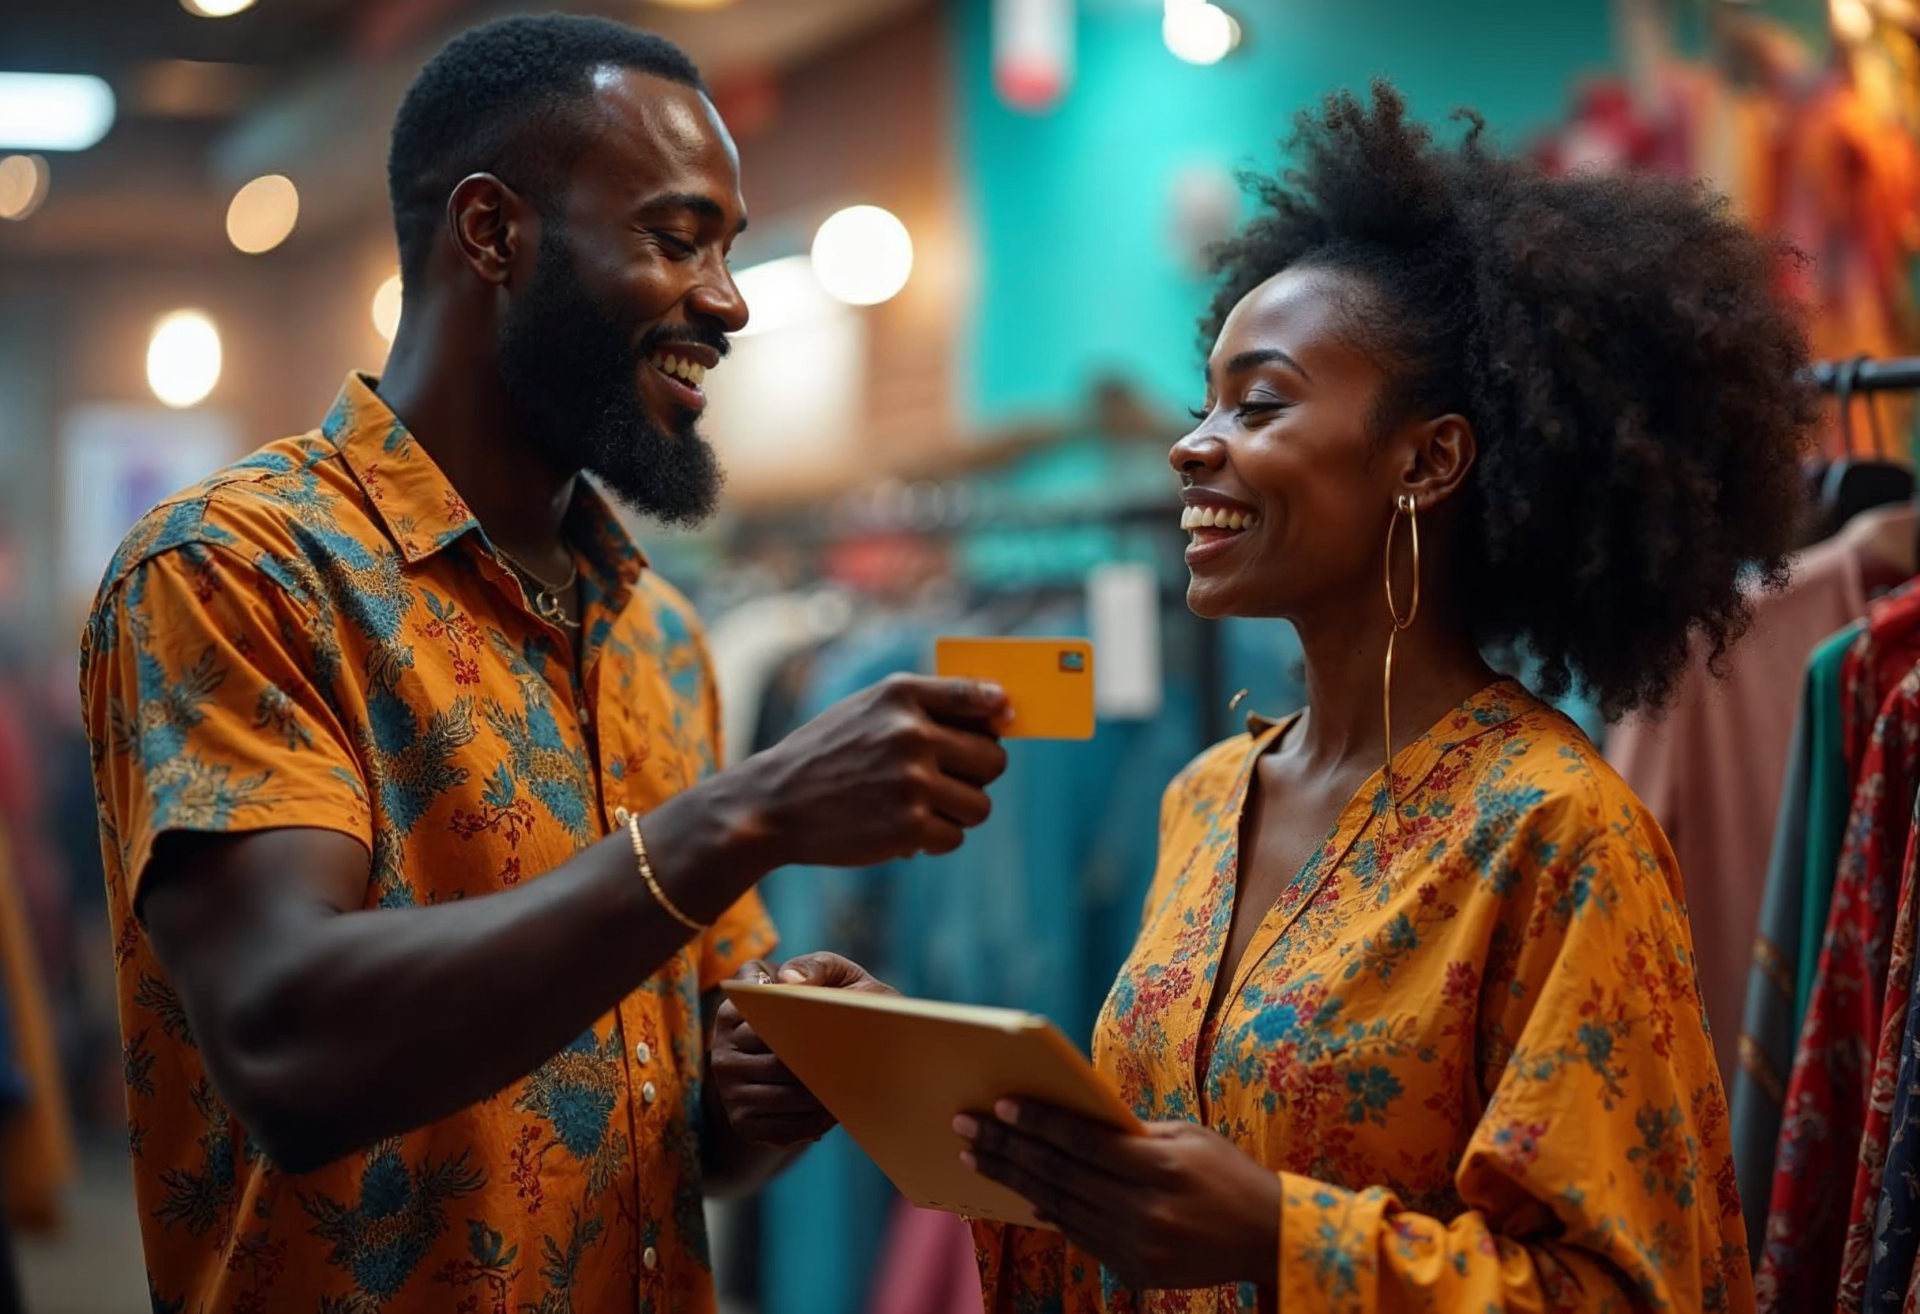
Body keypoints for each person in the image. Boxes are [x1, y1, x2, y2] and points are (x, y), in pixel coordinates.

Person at [79, 16, 1008, 1313]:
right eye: (679, 238)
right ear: (492, 233)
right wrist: (740, 817)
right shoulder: (238, 573)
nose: (730, 300)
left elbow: (686, 1131)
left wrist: (770, 1074)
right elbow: (287, 1044)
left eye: (729, 249)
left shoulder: (661, 636)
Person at [944, 83, 1811, 1309]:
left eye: (1260, 401)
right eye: (1204, 402)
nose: (1194, 443)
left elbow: (1636, 1288)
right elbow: (1144, 1228)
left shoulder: (1553, 833)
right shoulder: (1205, 797)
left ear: (1428, 460)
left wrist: (1291, 1242)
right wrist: (953, 1105)